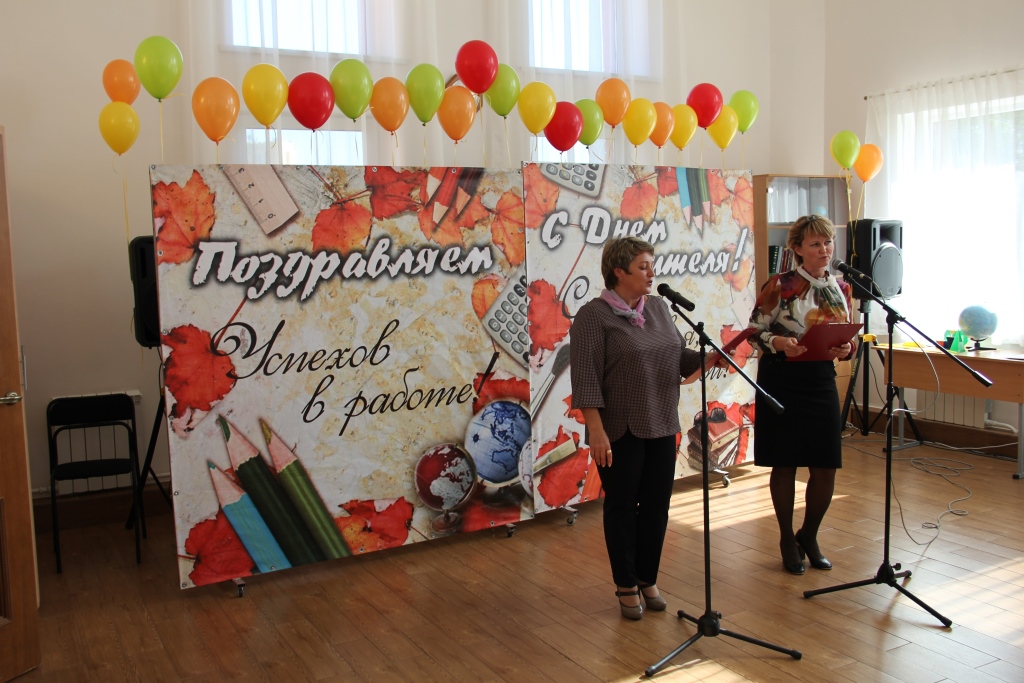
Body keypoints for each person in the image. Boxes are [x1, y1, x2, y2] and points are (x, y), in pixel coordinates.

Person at [569, 236, 702, 619]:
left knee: (658, 507)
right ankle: (626, 584)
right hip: (617, 430)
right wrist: (596, 431)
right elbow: (586, 379)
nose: (651, 273)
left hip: (661, 421)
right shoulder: (593, 316)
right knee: (623, 507)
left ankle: (648, 578)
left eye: (651, 265)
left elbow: (677, 357)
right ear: (619, 271)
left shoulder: (658, 307)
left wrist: (709, 356)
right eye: (643, 267)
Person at [748, 215, 857, 575]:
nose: (824, 249)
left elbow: (849, 335)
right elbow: (753, 331)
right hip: (782, 377)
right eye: (815, 244)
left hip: (820, 378)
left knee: (825, 465)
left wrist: (848, 348)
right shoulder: (781, 284)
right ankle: (785, 539)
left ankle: (808, 535)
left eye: (827, 242)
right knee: (785, 462)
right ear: (797, 249)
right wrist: (780, 342)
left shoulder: (842, 286)